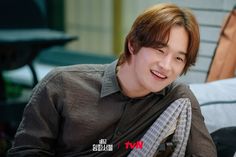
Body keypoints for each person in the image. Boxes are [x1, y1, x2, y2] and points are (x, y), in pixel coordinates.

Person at [8, 3, 217, 157]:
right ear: (133, 45)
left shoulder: (178, 99)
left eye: (179, 58)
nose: (167, 65)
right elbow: (27, 151)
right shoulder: (61, 84)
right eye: (159, 50)